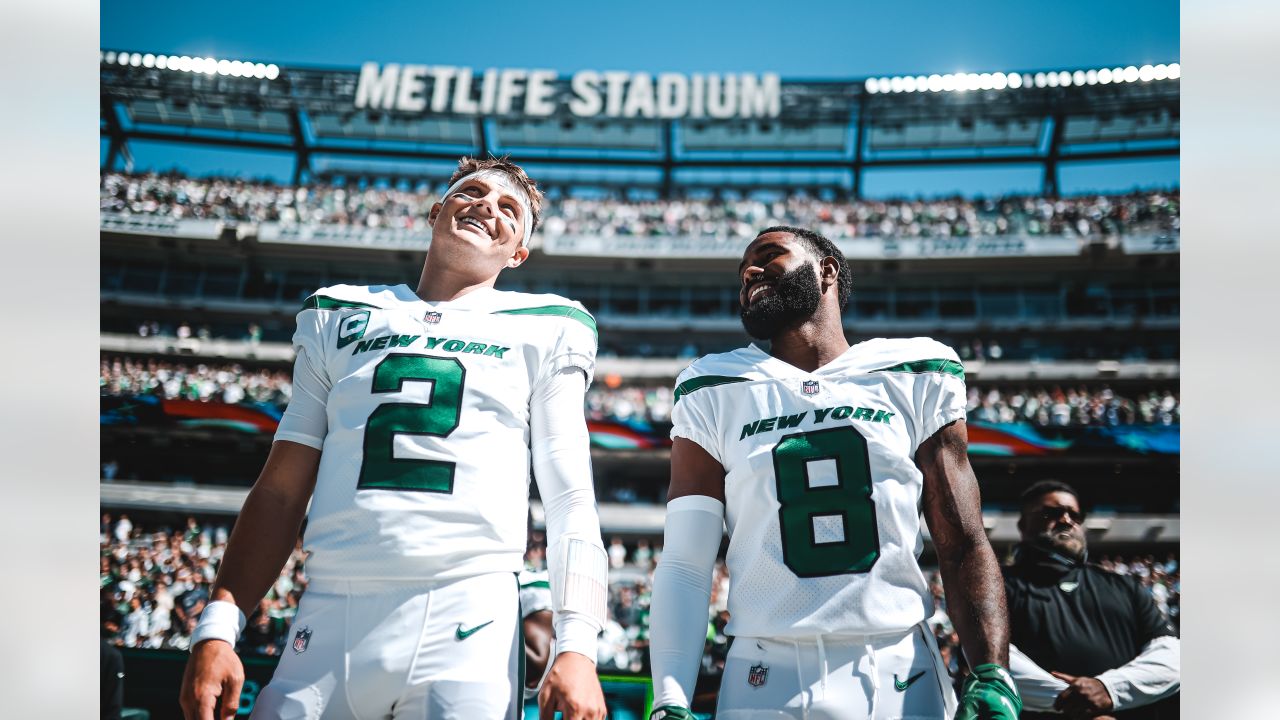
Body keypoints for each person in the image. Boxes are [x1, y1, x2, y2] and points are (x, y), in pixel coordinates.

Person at [180, 156, 609, 720]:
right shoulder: (339, 313)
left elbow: (570, 496)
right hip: (331, 610)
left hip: (469, 614)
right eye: (472, 192)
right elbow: (282, 490)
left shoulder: (549, 326)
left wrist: (576, 647)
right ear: (436, 212)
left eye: (511, 209)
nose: (487, 205)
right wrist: (218, 624)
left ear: (518, 252)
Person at [647, 226, 1020, 720]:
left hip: (897, 667)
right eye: (742, 271)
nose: (750, 272)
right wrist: (670, 699)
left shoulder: (914, 370)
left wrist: (992, 671)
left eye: (769, 255)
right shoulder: (712, 384)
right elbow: (685, 563)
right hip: (762, 673)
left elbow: (963, 539)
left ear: (828, 270)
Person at [1004, 480, 1179, 719]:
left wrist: (1109, 690)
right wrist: (1081, 703)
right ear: (1023, 525)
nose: (1067, 520)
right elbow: (989, 658)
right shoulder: (998, 585)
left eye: (1075, 515)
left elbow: (1171, 656)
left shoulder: (1124, 585)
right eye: (1051, 513)